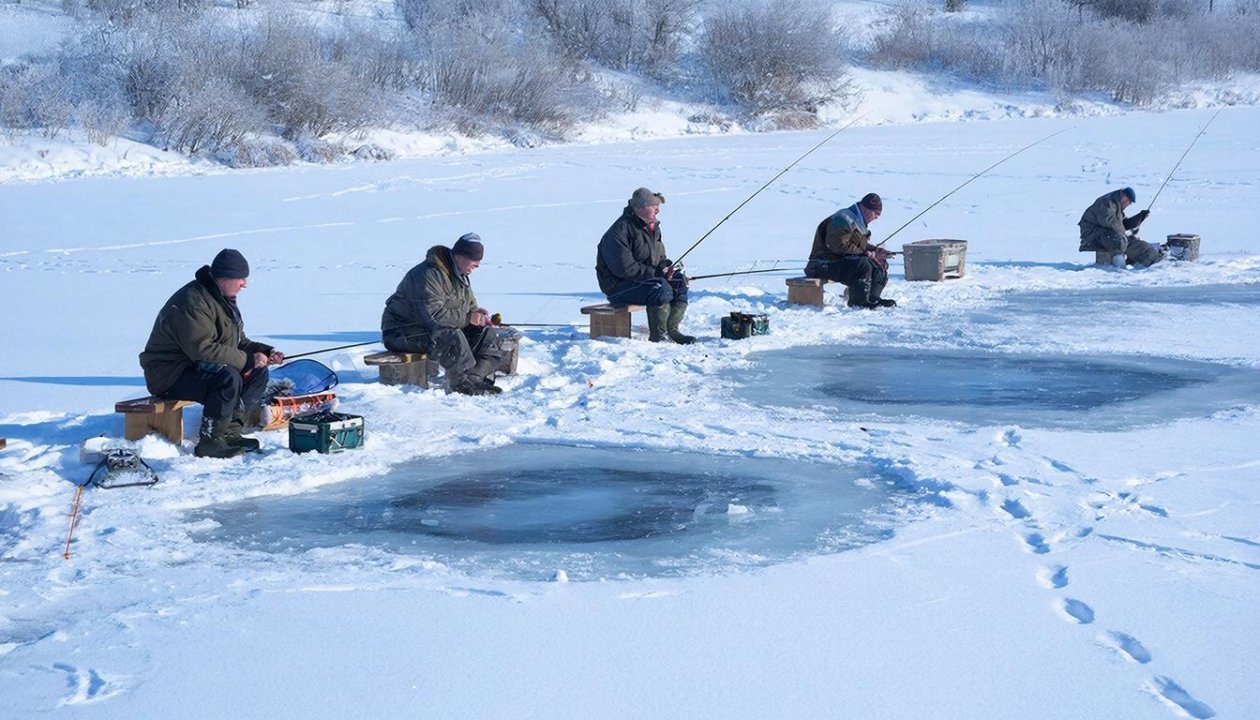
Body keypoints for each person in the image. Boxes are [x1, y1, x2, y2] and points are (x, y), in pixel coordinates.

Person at [140, 248, 284, 459]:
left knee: (257, 372)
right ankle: (210, 441)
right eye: (240, 278)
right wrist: (247, 359)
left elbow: (238, 342)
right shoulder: (193, 302)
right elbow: (202, 349)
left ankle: (230, 432)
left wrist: (263, 352)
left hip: (195, 367)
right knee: (227, 377)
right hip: (168, 374)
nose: (245, 284)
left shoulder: (223, 298)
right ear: (224, 278)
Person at [381, 233, 504, 396]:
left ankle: (474, 378)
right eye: (475, 260)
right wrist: (468, 318)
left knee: (487, 334)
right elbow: (434, 316)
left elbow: (469, 306)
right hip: (403, 332)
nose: (478, 265)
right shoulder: (427, 274)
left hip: (433, 330)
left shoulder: (460, 277)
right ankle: (460, 383)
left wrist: (476, 314)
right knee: (451, 336)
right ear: (460, 256)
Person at [595, 187, 695, 344]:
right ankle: (659, 336)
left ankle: (672, 331)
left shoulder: (653, 228)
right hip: (618, 286)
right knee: (659, 287)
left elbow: (660, 257)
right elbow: (625, 269)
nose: (657, 211)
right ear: (641, 207)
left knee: (679, 282)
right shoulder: (619, 231)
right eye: (654, 207)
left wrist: (667, 267)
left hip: (643, 279)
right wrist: (658, 273)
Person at [805, 193, 896, 309]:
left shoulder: (856, 220)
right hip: (822, 264)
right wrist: (865, 253)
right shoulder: (842, 219)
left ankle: (873, 298)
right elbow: (837, 245)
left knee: (879, 264)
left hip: (839, 262)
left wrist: (875, 250)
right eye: (876, 214)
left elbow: (857, 245)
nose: (877, 217)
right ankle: (859, 302)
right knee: (862, 264)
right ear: (868, 210)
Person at [1078, 187, 1162, 268]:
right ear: (1123, 195)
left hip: (1108, 234)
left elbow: (1122, 224)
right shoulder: (1106, 202)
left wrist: (1138, 218)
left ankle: (1151, 260)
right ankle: (1119, 267)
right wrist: (1124, 236)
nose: (1129, 204)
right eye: (1128, 201)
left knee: (1136, 244)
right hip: (1092, 235)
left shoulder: (1116, 205)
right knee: (1120, 241)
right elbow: (1110, 222)